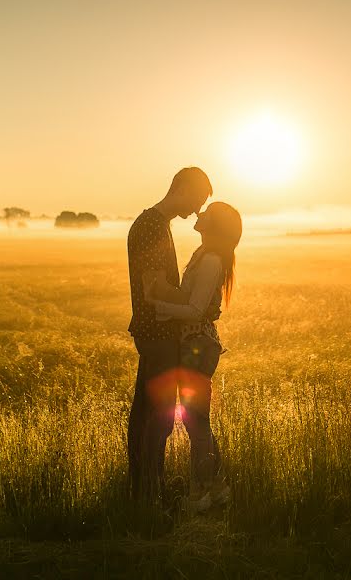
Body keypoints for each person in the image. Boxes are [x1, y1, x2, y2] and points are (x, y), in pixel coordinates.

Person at [147, 201, 242, 513]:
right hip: (194, 344)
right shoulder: (203, 255)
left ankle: (198, 495)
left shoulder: (212, 260)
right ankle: (218, 487)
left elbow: (196, 310)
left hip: (197, 347)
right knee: (198, 421)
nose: (200, 214)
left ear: (214, 227)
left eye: (208, 213)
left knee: (196, 423)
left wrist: (159, 307)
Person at [126, 167, 212, 502]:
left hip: (157, 330)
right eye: (198, 200)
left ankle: (143, 488)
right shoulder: (150, 226)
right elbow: (154, 289)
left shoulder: (157, 224)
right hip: (155, 331)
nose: (197, 210)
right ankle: (150, 492)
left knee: (148, 413)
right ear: (184, 188)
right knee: (157, 418)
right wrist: (196, 302)